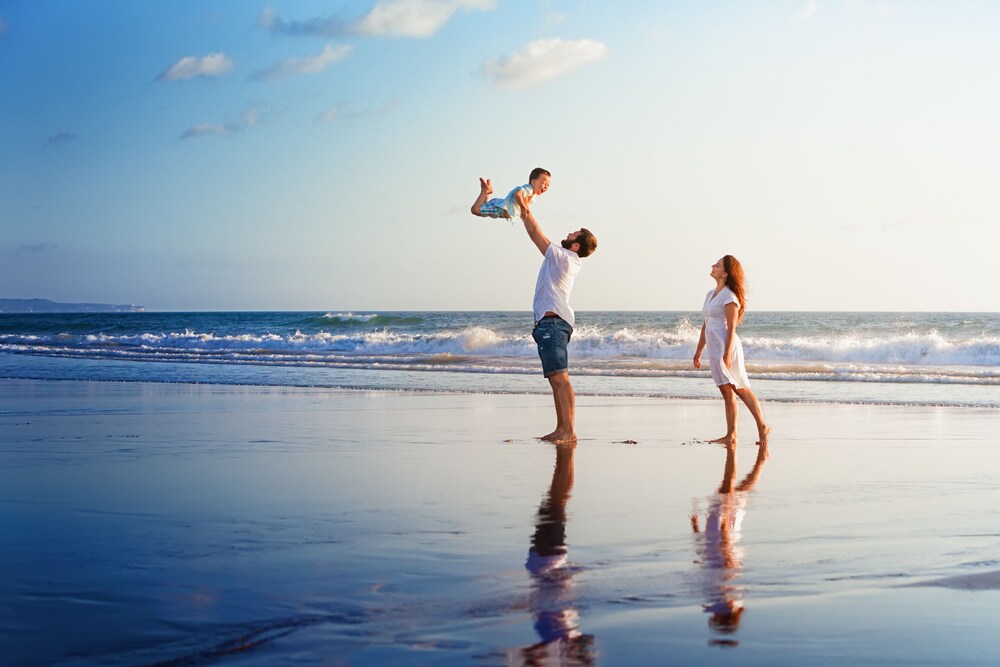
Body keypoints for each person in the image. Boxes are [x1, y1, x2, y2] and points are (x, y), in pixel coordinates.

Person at [520, 207, 597, 444]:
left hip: (554, 323)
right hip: (549, 323)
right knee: (555, 379)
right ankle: (561, 428)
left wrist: (524, 209)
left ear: (576, 246)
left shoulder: (565, 257)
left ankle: (568, 431)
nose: (569, 234)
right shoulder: (563, 258)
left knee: (561, 379)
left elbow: (535, 234)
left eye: (573, 234)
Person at [693, 255, 770, 447]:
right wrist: (698, 351)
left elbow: (732, 327)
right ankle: (731, 435)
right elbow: (706, 324)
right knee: (726, 391)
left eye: (717, 265)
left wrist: (727, 353)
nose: (713, 266)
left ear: (725, 274)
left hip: (727, 347)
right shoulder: (710, 294)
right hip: (714, 347)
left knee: (739, 387)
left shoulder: (730, 296)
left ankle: (762, 426)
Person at [470, 167, 551, 222]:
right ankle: (484, 191)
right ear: (533, 182)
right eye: (544, 184)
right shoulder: (529, 189)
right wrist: (523, 207)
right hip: (499, 208)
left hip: (500, 209)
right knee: (475, 210)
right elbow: (517, 194)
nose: (546, 187)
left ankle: (487, 193)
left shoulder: (533, 196)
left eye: (548, 186)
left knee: (482, 208)